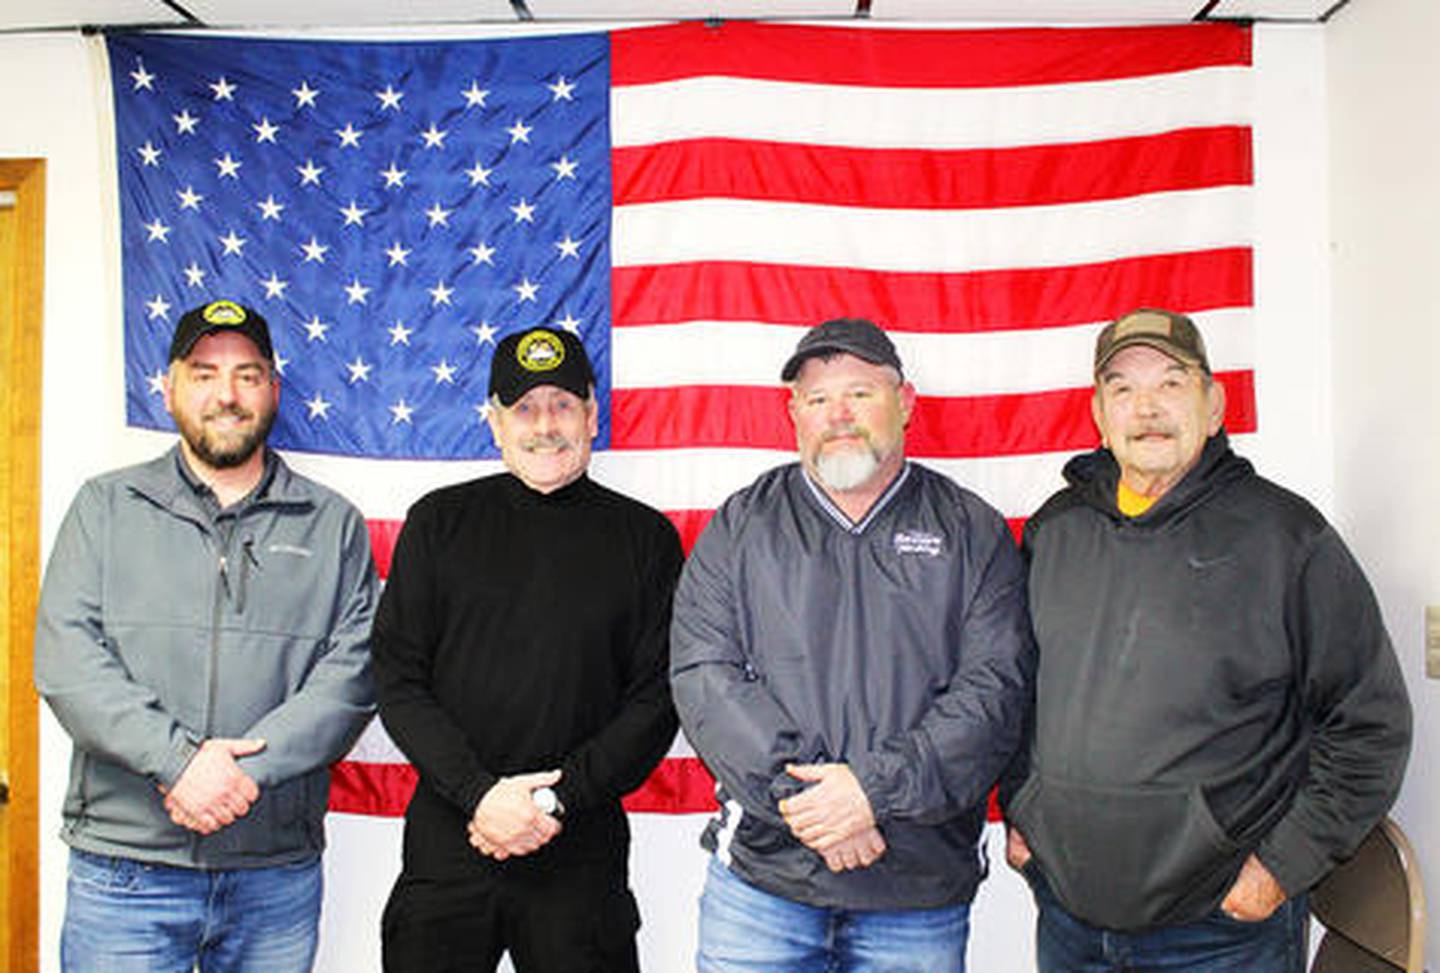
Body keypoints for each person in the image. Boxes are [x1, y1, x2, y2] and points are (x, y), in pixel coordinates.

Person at [1003, 308, 1413, 972]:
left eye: (1171, 382)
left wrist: (1281, 867)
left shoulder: (1286, 539)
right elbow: (1014, 690)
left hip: (1219, 930)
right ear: (1099, 415)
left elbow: (1370, 725)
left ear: (1214, 403)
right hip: (1070, 919)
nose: (1147, 408)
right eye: (1122, 388)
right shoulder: (1055, 532)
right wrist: (1023, 805)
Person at [671, 317, 1035, 973]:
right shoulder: (742, 525)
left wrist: (871, 791)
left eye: (861, 392)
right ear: (793, 413)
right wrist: (816, 807)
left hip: (916, 888)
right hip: (763, 882)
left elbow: (994, 692)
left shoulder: (970, 530)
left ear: (906, 402)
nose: (838, 414)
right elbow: (706, 675)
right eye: (817, 398)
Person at [34, 299, 379, 972]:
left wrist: (237, 776)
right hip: (125, 869)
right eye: (204, 373)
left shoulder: (332, 523)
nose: (227, 394)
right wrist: (179, 763)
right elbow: (68, 660)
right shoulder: (104, 507)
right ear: (167, 388)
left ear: (274, 390)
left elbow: (354, 674)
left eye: (248, 374)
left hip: (272, 874)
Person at [372, 326, 684, 973]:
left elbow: (657, 699)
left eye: (563, 404)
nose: (545, 424)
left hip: (580, 849)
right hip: (452, 840)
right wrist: (480, 795)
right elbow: (398, 678)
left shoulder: (645, 539)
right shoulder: (438, 522)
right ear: (495, 421)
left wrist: (552, 798)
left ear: (593, 415)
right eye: (524, 408)